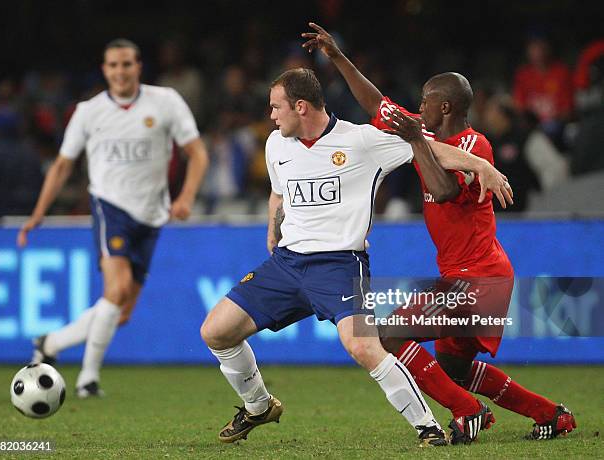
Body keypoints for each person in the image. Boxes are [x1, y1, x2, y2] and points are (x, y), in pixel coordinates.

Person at [200, 68, 513, 447]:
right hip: (286, 265)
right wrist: (272, 228)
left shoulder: (362, 140)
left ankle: (427, 427)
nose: (271, 116)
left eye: (275, 107)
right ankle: (259, 406)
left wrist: (481, 165)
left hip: (339, 265)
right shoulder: (275, 144)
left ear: (300, 106)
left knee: (364, 345)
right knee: (215, 331)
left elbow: (428, 149)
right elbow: (278, 193)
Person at [302, 22, 576, 442]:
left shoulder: (474, 146)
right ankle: (551, 415)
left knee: (391, 334)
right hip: (464, 275)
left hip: (478, 278)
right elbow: (376, 102)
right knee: (454, 369)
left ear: (445, 107)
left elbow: (445, 190)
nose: (419, 107)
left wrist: (415, 142)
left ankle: (467, 411)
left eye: (426, 102)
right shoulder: (423, 131)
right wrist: (337, 57)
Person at [18, 39, 209, 398]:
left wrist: (185, 196)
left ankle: (51, 342)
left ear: (138, 66)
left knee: (120, 312)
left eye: (126, 64)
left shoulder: (165, 102)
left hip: (152, 215)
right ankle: (88, 380)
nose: (120, 72)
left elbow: (197, 153)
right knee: (116, 290)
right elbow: (62, 165)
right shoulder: (88, 112)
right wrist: (38, 214)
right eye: (112, 66)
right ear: (104, 70)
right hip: (110, 207)